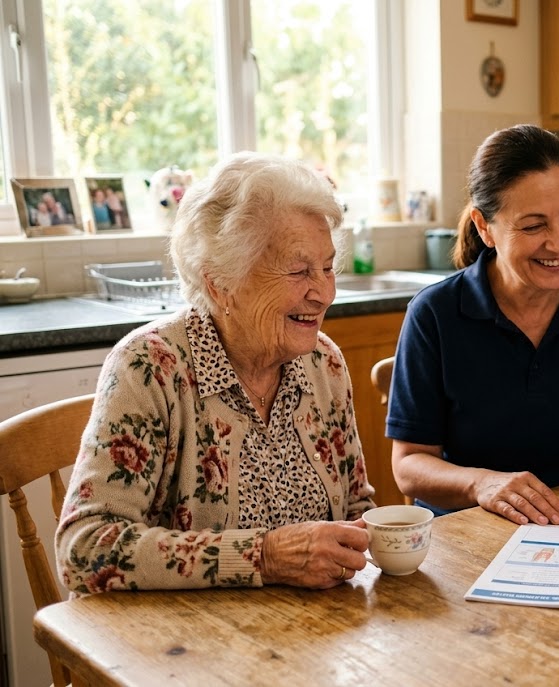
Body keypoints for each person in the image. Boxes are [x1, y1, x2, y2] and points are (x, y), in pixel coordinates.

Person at [56, 152, 375, 593]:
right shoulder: (150, 368)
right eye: (299, 270)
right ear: (219, 283)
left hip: (309, 640)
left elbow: (355, 508)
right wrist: (262, 557)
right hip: (177, 648)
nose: (323, 293)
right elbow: (84, 549)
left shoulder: (324, 363)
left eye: (326, 267)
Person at [387, 124, 559, 526]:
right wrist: (481, 484)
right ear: (485, 228)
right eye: (533, 226)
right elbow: (410, 465)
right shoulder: (435, 314)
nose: (558, 243)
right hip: (467, 533)